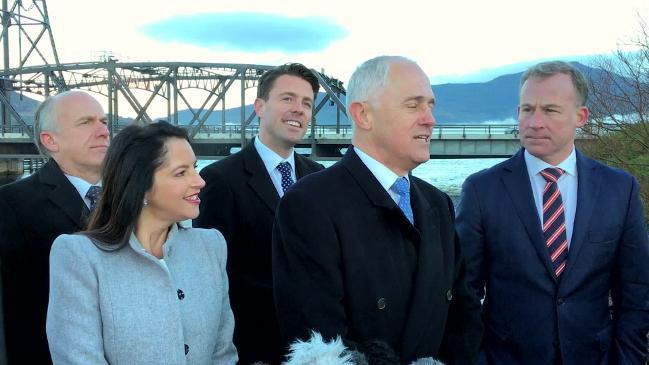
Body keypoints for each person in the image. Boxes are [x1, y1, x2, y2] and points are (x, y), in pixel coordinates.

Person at [272, 56, 483, 364]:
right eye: (413, 105)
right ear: (364, 114)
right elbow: (320, 340)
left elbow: (464, 314)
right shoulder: (309, 204)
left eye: (430, 105)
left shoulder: (438, 204)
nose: (430, 119)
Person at [456, 61, 649, 365]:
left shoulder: (619, 190)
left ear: (581, 117)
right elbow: (463, 295)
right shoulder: (482, 191)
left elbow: (636, 294)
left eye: (550, 110)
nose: (534, 122)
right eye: (527, 109)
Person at [46, 121, 238, 364]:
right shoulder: (79, 256)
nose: (199, 181)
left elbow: (223, 354)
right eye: (181, 172)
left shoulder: (211, 247)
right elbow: (77, 358)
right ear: (141, 186)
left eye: (195, 167)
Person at [193, 63, 324, 364]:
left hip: (315, 343)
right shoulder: (220, 178)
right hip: (253, 343)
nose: (299, 109)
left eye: (306, 103)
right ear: (260, 107)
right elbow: (215, 275)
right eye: (288, 99)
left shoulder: (319, 177)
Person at [0, 90, 109, 364]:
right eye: (86, 122)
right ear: (50, 140)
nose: (103, 131)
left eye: (104, 121)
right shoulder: (11, 205)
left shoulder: (140, 198)